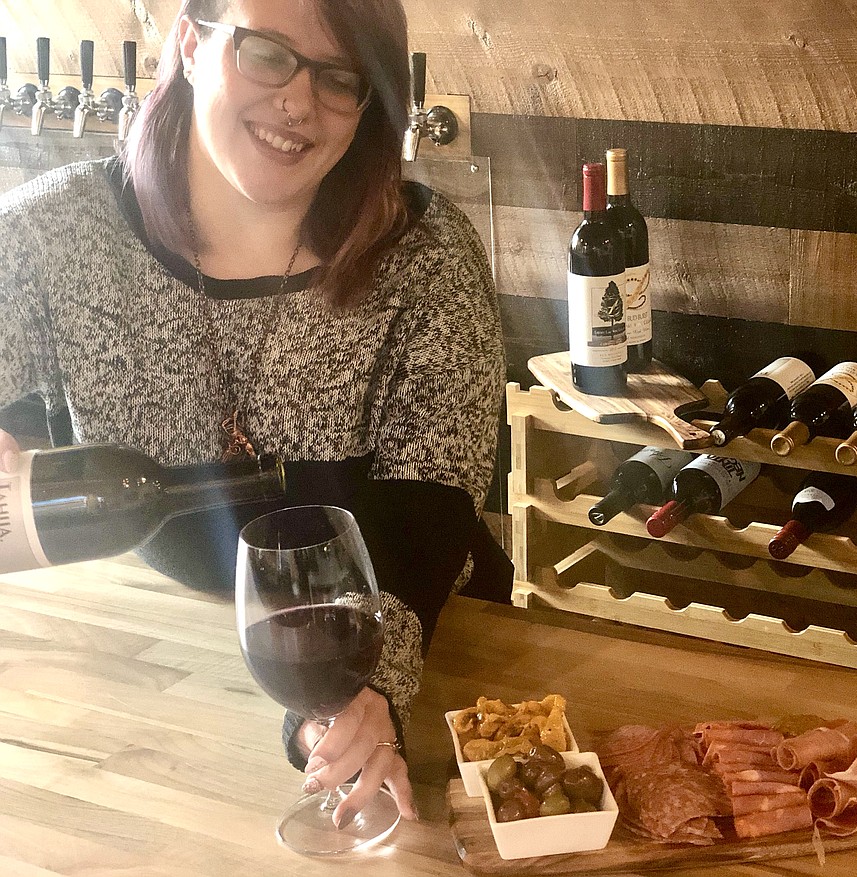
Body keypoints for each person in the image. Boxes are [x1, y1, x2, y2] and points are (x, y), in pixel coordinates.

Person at [0, 0, 505, 830]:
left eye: (341, 78)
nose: (300, 102)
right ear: (194, 45)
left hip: (426, 631)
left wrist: (370, 689)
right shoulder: (57, 233)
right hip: (166, 661)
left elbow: (431, 512)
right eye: (268, 54)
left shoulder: (426, 254)